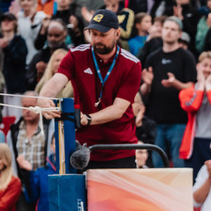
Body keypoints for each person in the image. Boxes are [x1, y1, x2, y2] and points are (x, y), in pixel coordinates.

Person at [37, 10, 142, 168]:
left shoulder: (132, 64)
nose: (97, 39)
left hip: (120, 148)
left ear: (117, 33)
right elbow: (57, 80)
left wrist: (89, 119)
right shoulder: (75, 55)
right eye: (93, 34)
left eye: (102, 34)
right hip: (84, 148)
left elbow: (118, 109)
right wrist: (43, 99)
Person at [140, 17, 197, 167]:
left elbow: (191, 88)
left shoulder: (186, 57)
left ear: (179, 34)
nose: (169, 32)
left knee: (179, 164)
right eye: (166, 28)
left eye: (173, 29)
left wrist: (175, 84)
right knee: (157, 164)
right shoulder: (153, 57)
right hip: (155, 120)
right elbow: (144, 92)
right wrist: (147, 84)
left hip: (179, 120)